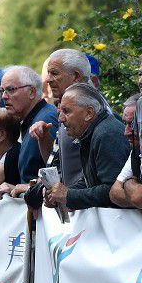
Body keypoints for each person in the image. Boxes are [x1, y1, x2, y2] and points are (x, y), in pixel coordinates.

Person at [32, 83, 130, 211]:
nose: (60, 119)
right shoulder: (94, 131)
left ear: (89, 113)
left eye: (66, 111)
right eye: (60, 111)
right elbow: (91, 180)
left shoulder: (107, 134)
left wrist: (69, 195)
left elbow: (114, 190)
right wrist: (59, 196)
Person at [32, 48, 92, 185]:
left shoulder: (91, 110)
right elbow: (58, 164)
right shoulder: (66, 106)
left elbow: (97, 177)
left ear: (76, 76)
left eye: (54, 73)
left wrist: (71, 196)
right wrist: (44, 138)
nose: (47, 80)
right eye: (48, 73)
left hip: (84, 204)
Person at [0, 65, 59, 183]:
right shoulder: (28, 120)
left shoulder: (47, 118)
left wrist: (27, 188)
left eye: (10, 90)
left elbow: (58, 173)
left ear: (31, 92)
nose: (4, 96)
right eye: (2, 91)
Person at [110, 93, 142, 209]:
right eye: (125, 123)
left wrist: (128, 183)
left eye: (132, 124)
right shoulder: (136, 150)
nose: (126, 132)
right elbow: (114, 193)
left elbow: (137, 197)